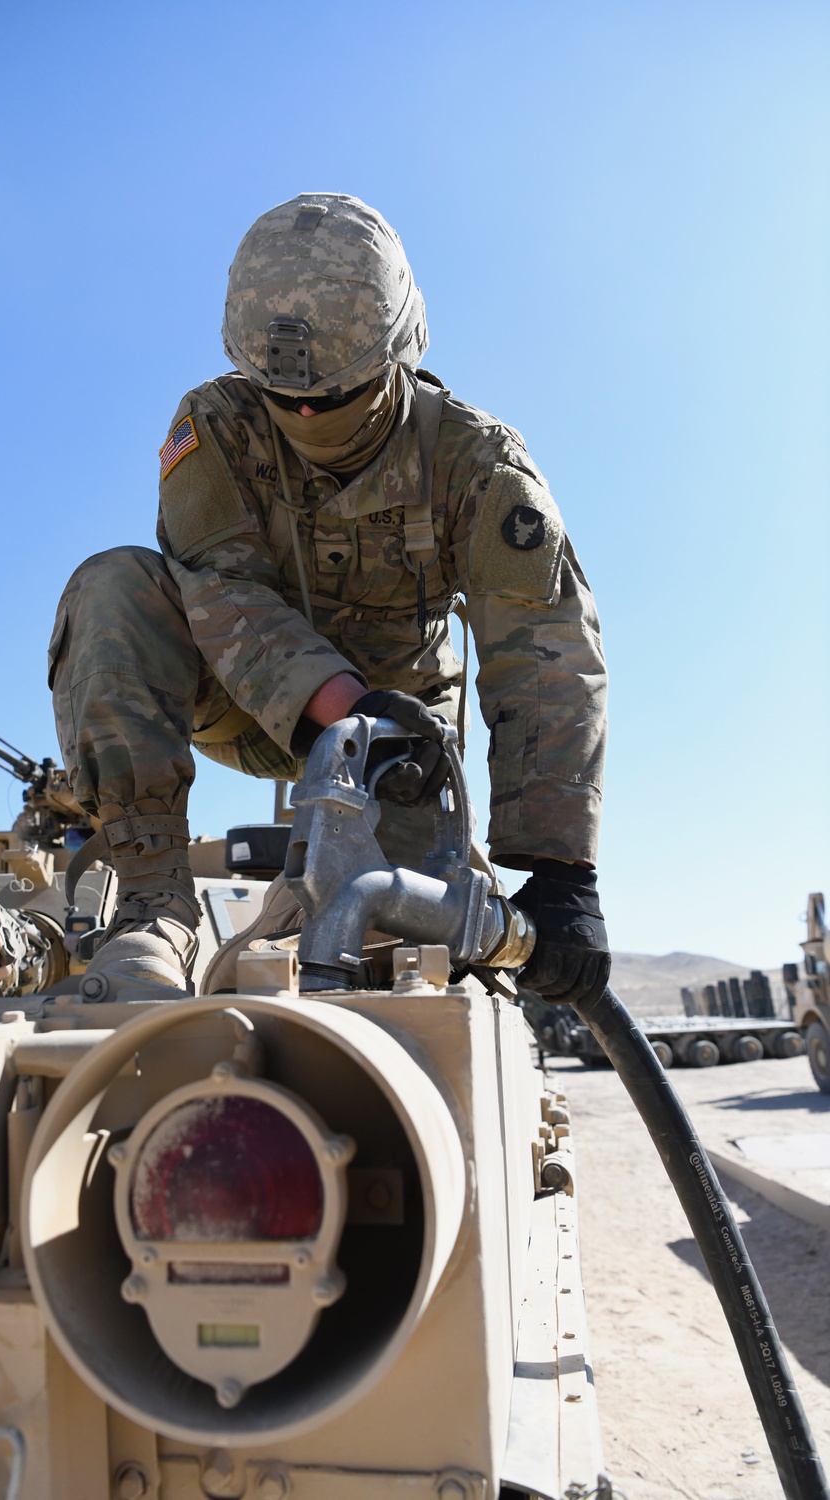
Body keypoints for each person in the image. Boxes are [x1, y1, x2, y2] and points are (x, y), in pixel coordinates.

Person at [49, 193, 610, 1004]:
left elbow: (546, 653)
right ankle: (153, 908)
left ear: (399, 351)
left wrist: (561, 872)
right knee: (115, 584)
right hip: (243, 700)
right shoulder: (216, 427)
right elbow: (222, 585)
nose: (307, 411)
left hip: (401, 751)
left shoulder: (474, 463)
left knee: (402, 969)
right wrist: (346, 702)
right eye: (287, 398)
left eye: (333, 394)